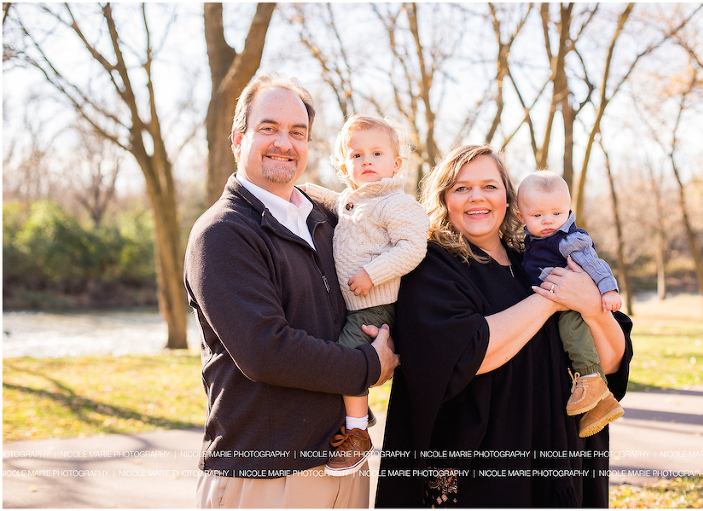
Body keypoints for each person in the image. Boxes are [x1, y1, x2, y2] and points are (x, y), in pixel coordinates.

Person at [184, 73, 399, 509]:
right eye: (269, 128)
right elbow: (266, 351)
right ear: (238, 139)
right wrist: (368, 365)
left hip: (343, 462)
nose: (284, 143)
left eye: (297, 133)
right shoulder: (222, 233)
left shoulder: (327, 220)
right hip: (266, 476)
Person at [375, 145, 632, 508]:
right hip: (485, 476)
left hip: (563, 463)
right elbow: (469, 353)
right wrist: (553, 296)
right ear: (445, 198)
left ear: (509, 199)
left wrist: (593, 308)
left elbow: (612, 364)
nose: (476, 197)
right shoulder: (431, 266)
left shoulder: (537, 260)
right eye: (461, 188)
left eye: (489, 186)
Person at [302, 114, 429, 476]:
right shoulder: (355, 200)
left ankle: (358, 435)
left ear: (396, 164)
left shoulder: (396, 203)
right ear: (346, 168)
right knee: (340, 356)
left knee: (348, 360)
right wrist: (305, 190)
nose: (367, 160)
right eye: (356, 156)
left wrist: (371, 274)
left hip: (376, 305)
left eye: (376, 153)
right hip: (357, 305)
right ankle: (354, 415)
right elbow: (338, 203)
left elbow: (412, 249)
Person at [516, 170, 624, 438]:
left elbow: (594, 264)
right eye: (537, 215)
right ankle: (602, 403)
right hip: (557, 300)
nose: (548, 220)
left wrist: (608, 289)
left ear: (569, 209)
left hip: (573, 303)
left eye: (557, 213)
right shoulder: (531, 241)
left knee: (572, 334)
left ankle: (591, 380)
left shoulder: (568, 239)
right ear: (520, 216)